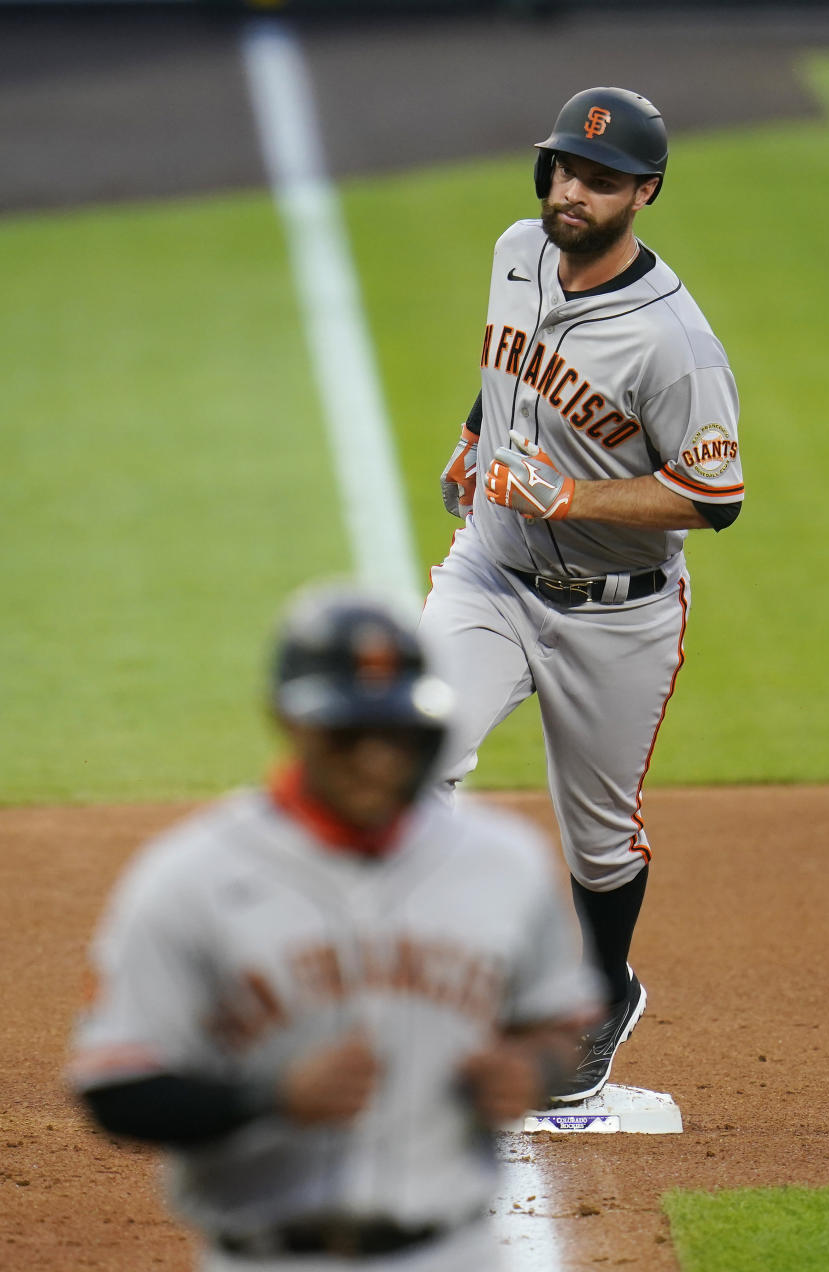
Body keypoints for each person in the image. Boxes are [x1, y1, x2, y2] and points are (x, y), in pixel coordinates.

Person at [67, 584, 600, 1271]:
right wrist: (271, 1098)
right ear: (287, 722)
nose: (376, 758)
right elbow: (116, 1090)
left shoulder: (504, 863)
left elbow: (554, 1023)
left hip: (456, 1253)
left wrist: (531, 1069)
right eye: (347, 733)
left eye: (396, 732)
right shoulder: (187, 879)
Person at [422, 86, 743, 1104]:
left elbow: (715, 496)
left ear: (643, 194)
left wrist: (573, 491)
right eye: (563, 168)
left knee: (600, 841)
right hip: (491, 570)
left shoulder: (675, 344)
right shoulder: (517, 247)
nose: (572, 190)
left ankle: (605, 987)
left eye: (599, 180)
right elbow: (506, 361)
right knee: (409, 756)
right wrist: (477, 439)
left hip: (621, 612)